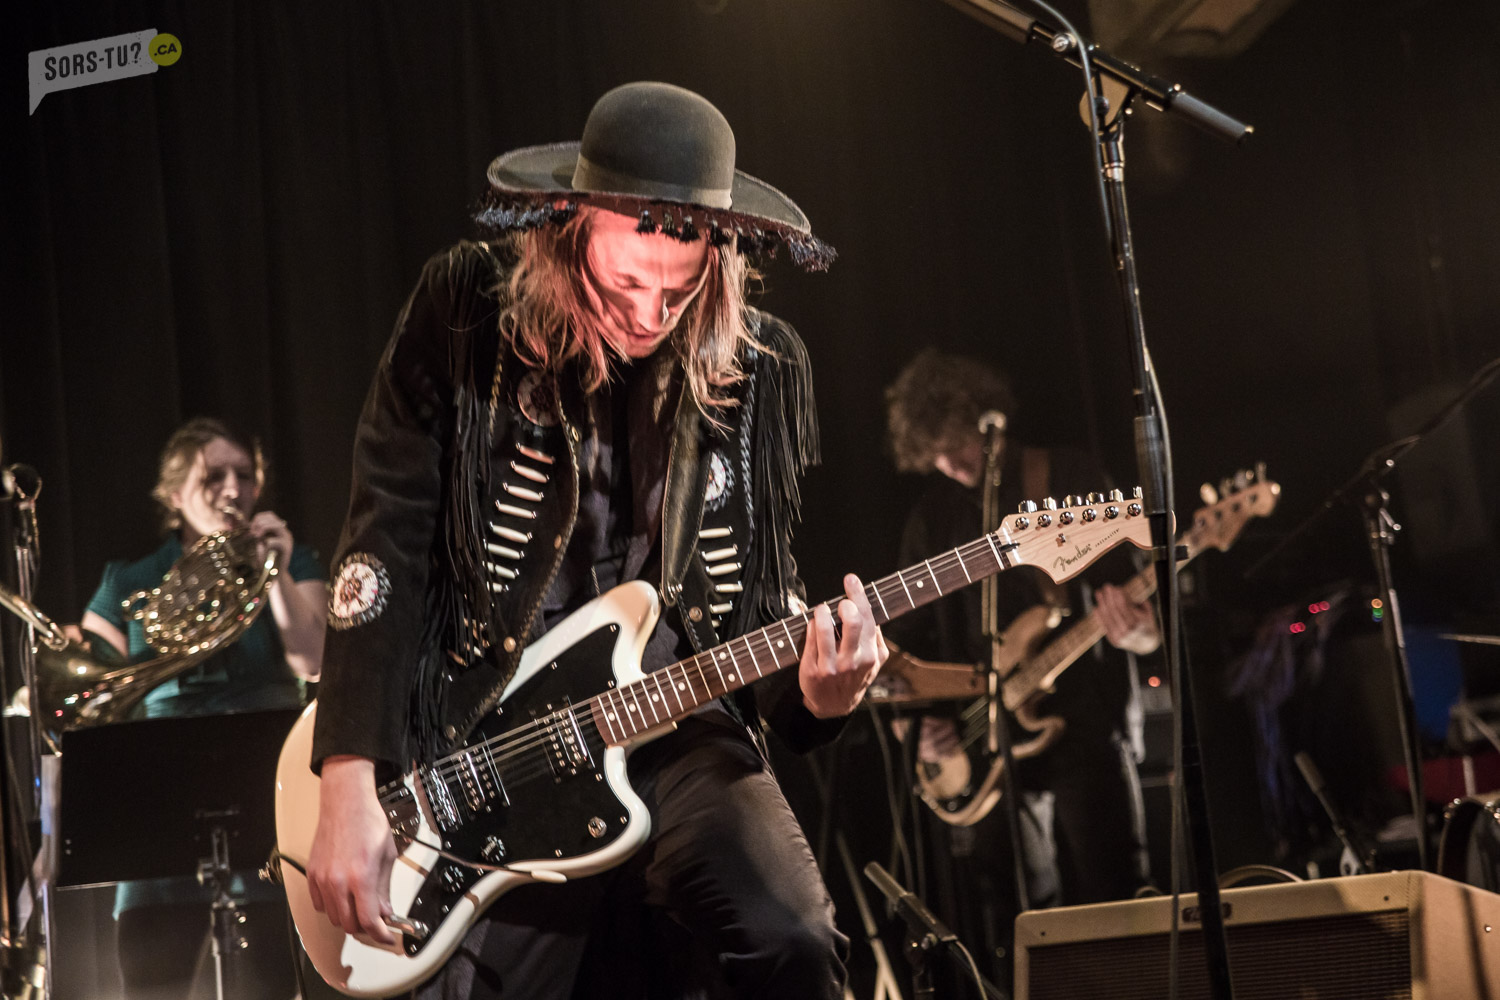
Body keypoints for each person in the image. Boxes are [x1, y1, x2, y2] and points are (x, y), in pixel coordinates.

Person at [305, 82, 887, 999]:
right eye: (626, 285)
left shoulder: (757, 364)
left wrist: (821, 695)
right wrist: (348, 776)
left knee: (795, 939)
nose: (650, 316)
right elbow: (384, 546)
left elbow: (757, 598)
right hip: (488, 724)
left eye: (678, 291)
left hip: (673, 722)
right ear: (570, 229)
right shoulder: (464, 311)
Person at [881, 349, 1155, 977]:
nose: (950, 464)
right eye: (934, 456)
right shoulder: (933, 517)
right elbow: (904, 643)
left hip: (1087, 723)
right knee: (1018, 919)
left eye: (955, 444)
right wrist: (914, 725)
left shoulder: (1064, 474)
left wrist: (1136, 630)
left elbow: (1145, 623)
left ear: (984, 416)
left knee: (1117, 897)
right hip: (984, 743)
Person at [80, 416, 328, 1000]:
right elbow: (91, 694)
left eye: (245, 475)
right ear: (174, 494)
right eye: (213, 476)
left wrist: (275, 572)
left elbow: (314, 661)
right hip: (160, 815)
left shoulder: (296, 561)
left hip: (270, 807)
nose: (233, 489)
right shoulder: (129, 581)